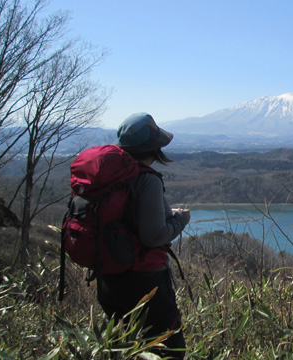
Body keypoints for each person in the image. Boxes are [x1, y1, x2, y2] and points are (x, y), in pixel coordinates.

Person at [97, 112, 191, 358]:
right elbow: (153, 236)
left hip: (108, 278)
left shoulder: (107, 176)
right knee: (169, 351)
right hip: (144, 282)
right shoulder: (146, 179)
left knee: (123, 348)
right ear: (154, 148)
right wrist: (181, 220)